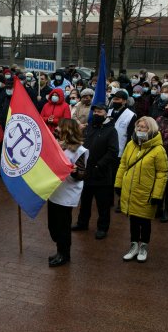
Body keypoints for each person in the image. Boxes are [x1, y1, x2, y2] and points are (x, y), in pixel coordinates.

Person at [115, 116, 168, 263]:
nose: (140, 129)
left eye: (143, 127)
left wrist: (157, 194)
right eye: (138, 127)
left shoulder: (158, 150)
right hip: (131, 190)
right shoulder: (131, 145)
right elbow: (123, 165)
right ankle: (133, 246)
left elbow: (162, 173)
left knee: (144, 221)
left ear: (150, 129)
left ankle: (143, 246)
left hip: (146, 192)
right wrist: (118, 184)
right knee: (133, 219)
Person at [73, 103, 119, 239]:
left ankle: (102, 228)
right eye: (95, 112)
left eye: (100, 111)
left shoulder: (111, 131)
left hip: (101, 173)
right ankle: (82, 223)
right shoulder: (89, 128)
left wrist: (100, 165)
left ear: (106, 113)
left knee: (102, 204)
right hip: (87, 172)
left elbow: (113, 151)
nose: (96, 114)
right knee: (85, 202)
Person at [47, 119, 88, 267]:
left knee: (63, 227)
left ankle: (63, 254)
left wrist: (75, 172)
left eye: (60, 127)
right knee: (53, 226)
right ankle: (60, 250)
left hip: (67, 193)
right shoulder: (56, 147)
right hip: (54, 191)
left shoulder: (79, 151)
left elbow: (82, 175)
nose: (57, 129)